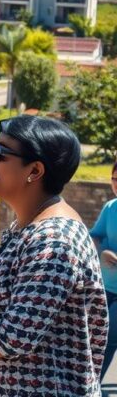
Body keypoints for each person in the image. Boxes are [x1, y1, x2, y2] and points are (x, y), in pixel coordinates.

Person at [0, 115, 107, 396]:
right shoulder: (26, 227)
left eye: (0, 153)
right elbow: (2, 302)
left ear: (34, 171)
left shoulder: (54, 240)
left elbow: (10, 339)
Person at [90, 160, 117, 377]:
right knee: (94, 337)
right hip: (104, 286)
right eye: (114, 179)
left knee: (108, 339)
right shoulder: (110, 207)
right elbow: (95, 236)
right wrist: (101, 252)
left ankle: (92, 386)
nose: (116, 185)